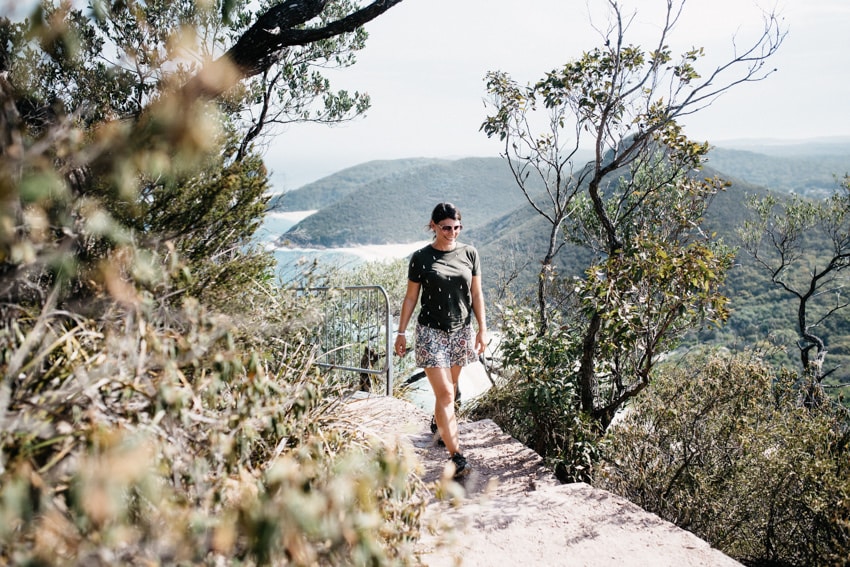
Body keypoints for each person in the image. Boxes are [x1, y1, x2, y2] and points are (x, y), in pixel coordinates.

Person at [394, 202, 487, 480]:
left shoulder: (470, 253)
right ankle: (456, 457)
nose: (452, 232)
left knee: (451, 389)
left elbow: (477, 294)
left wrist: (483, 328)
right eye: (446, 227)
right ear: (433, 226)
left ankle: (438, 422)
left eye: (457, 227)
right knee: (446, 394)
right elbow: (411, 297)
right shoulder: (421, 258)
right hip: (430, 333)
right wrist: (401, 332)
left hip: (460, 331)